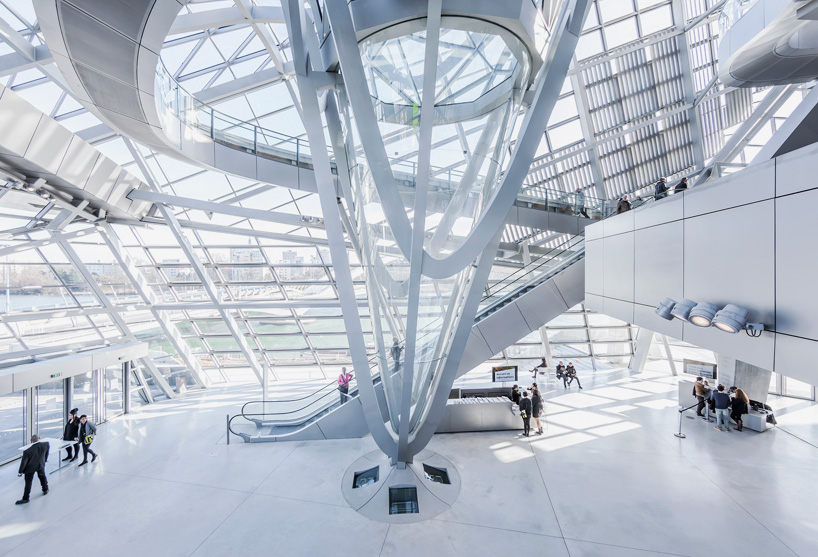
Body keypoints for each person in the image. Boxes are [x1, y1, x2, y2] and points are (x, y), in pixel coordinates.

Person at [17, 435, 49, 505]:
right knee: (42, 476)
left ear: (31, 440)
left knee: (28, 482)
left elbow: (24, 463)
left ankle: (26, 498)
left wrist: (20, 472)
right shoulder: (46, 444)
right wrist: (44, 461)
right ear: (39, 438)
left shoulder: (27, 451)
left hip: (30, 469)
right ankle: (45, 489)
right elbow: (46, 454)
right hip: (40, 465)